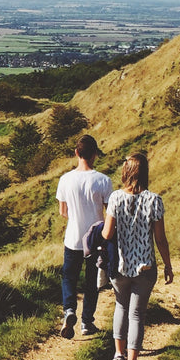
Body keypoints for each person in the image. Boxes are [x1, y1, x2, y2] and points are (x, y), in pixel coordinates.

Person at [102, 152, 172, 360]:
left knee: (121, 307)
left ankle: (118, 355)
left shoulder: (115, 198)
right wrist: (168, 265)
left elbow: (107, 233)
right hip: (145, 266)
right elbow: (160, 239)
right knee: (137, 315)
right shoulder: (155, 200)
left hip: (120, 265)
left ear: (126, 172)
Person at [55, 135, 112, 338]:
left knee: (69, 277)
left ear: (76, 153)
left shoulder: (65, 179)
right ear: (95, 154)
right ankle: (87, 322)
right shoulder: (104, 180)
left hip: (73, 237)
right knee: (91, 282)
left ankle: (69, 310)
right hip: (95, 239)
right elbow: (110, 213)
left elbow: (63, 211)